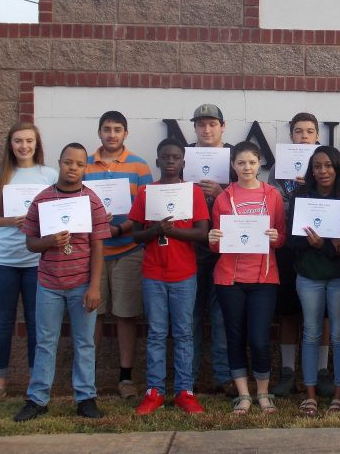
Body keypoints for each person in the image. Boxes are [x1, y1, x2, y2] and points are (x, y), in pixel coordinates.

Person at [14, 143, 110, 422]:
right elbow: (31, 242)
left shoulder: (91, 200)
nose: (73, 168)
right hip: (49, 284)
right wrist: (49, 241)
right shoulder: (43, 198)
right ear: (60, 162)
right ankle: (37, 399)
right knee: (45, 341)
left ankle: (85, 398)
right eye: (68, 162)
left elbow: (98, 248)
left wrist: (94, 287)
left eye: (79, 164)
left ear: (85, 168)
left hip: (82, 284)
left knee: (84, 342)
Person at [0, 122, 58, 403]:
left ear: (37, 144)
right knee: (3, 323)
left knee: (37, 324)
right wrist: (10, 221)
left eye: (29, 141)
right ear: (10, 145)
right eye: (18, 141)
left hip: (37, 260)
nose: (24, 146)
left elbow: (60, 210)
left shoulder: (49, 175)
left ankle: (36, 381)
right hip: (2, 260)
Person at [129, 138, 210, 415]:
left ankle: (184, 391)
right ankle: (154, 392)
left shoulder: (193, 193)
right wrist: (155, 231)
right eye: (166, 157)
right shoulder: (146, 192)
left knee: (184, 333)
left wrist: (170, 231)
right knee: (156, 333)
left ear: (183, 162)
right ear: (158, 161)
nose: (171, 161)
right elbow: (135, 233)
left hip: (184, 274)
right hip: (153, 273)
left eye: (176, 157)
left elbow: (202, 233)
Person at [208, 141, 287, 415]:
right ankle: (243, 395)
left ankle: (263, 393)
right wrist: (212, 239)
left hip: (264, 277)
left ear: (260, 164)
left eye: (252, 162)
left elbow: (281, 236)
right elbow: (217, 243)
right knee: (235, 336)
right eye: (241, 163)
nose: (246, 168)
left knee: (259, 338)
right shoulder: (223, 198)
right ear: (233, 166)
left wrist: (277, 239)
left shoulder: (273, 196)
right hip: (229, 278)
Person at [85, 110, 153, 400]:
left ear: (126, 133)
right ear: (99, 132)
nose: (111, 134)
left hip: (128, 250)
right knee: (93, 315)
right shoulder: (84, 165)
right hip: (93, 253)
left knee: (127, 315)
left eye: (117, 129)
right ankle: (86, 379)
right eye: (106, 129)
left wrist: (118, 229)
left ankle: (126, 377)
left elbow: (147, 210)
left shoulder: (139, 167)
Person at [269, 113, 333, 397]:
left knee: (324, 315)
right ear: (291, 135)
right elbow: (275, 205)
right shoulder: (277, 169)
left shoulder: (326, 166)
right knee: (289, 312)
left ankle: (321, 371)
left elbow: (334, 205)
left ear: (317, 135)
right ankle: (287, 372)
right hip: (287, 248)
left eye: (309, 131)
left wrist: (308, 187)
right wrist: (295, 194)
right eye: (298, 131)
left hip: (320, 247)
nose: (304, 136)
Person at [287, 146, 340, 416]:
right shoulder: (300, 197)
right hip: (309, 276)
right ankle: (310, 393)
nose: (323, 171)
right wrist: (321, 245)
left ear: (337, 169)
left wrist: (330, 246)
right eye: (317, 166)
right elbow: (291, 241)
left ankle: (339, 394)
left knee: (339, 335)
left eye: (328, 166)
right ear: (311, 170)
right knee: (311, 333)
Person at [189, 103, 234, 396]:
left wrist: (221, 193)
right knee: (190, 316)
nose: (207, 130)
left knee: (220, 317)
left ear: (222, 126)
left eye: (212, 124)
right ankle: (188, 378)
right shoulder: (184, 157)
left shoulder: (235, 158)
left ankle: (222, 376)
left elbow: (250, 197)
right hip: (190, 247)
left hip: (225, 249)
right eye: (201, 124)